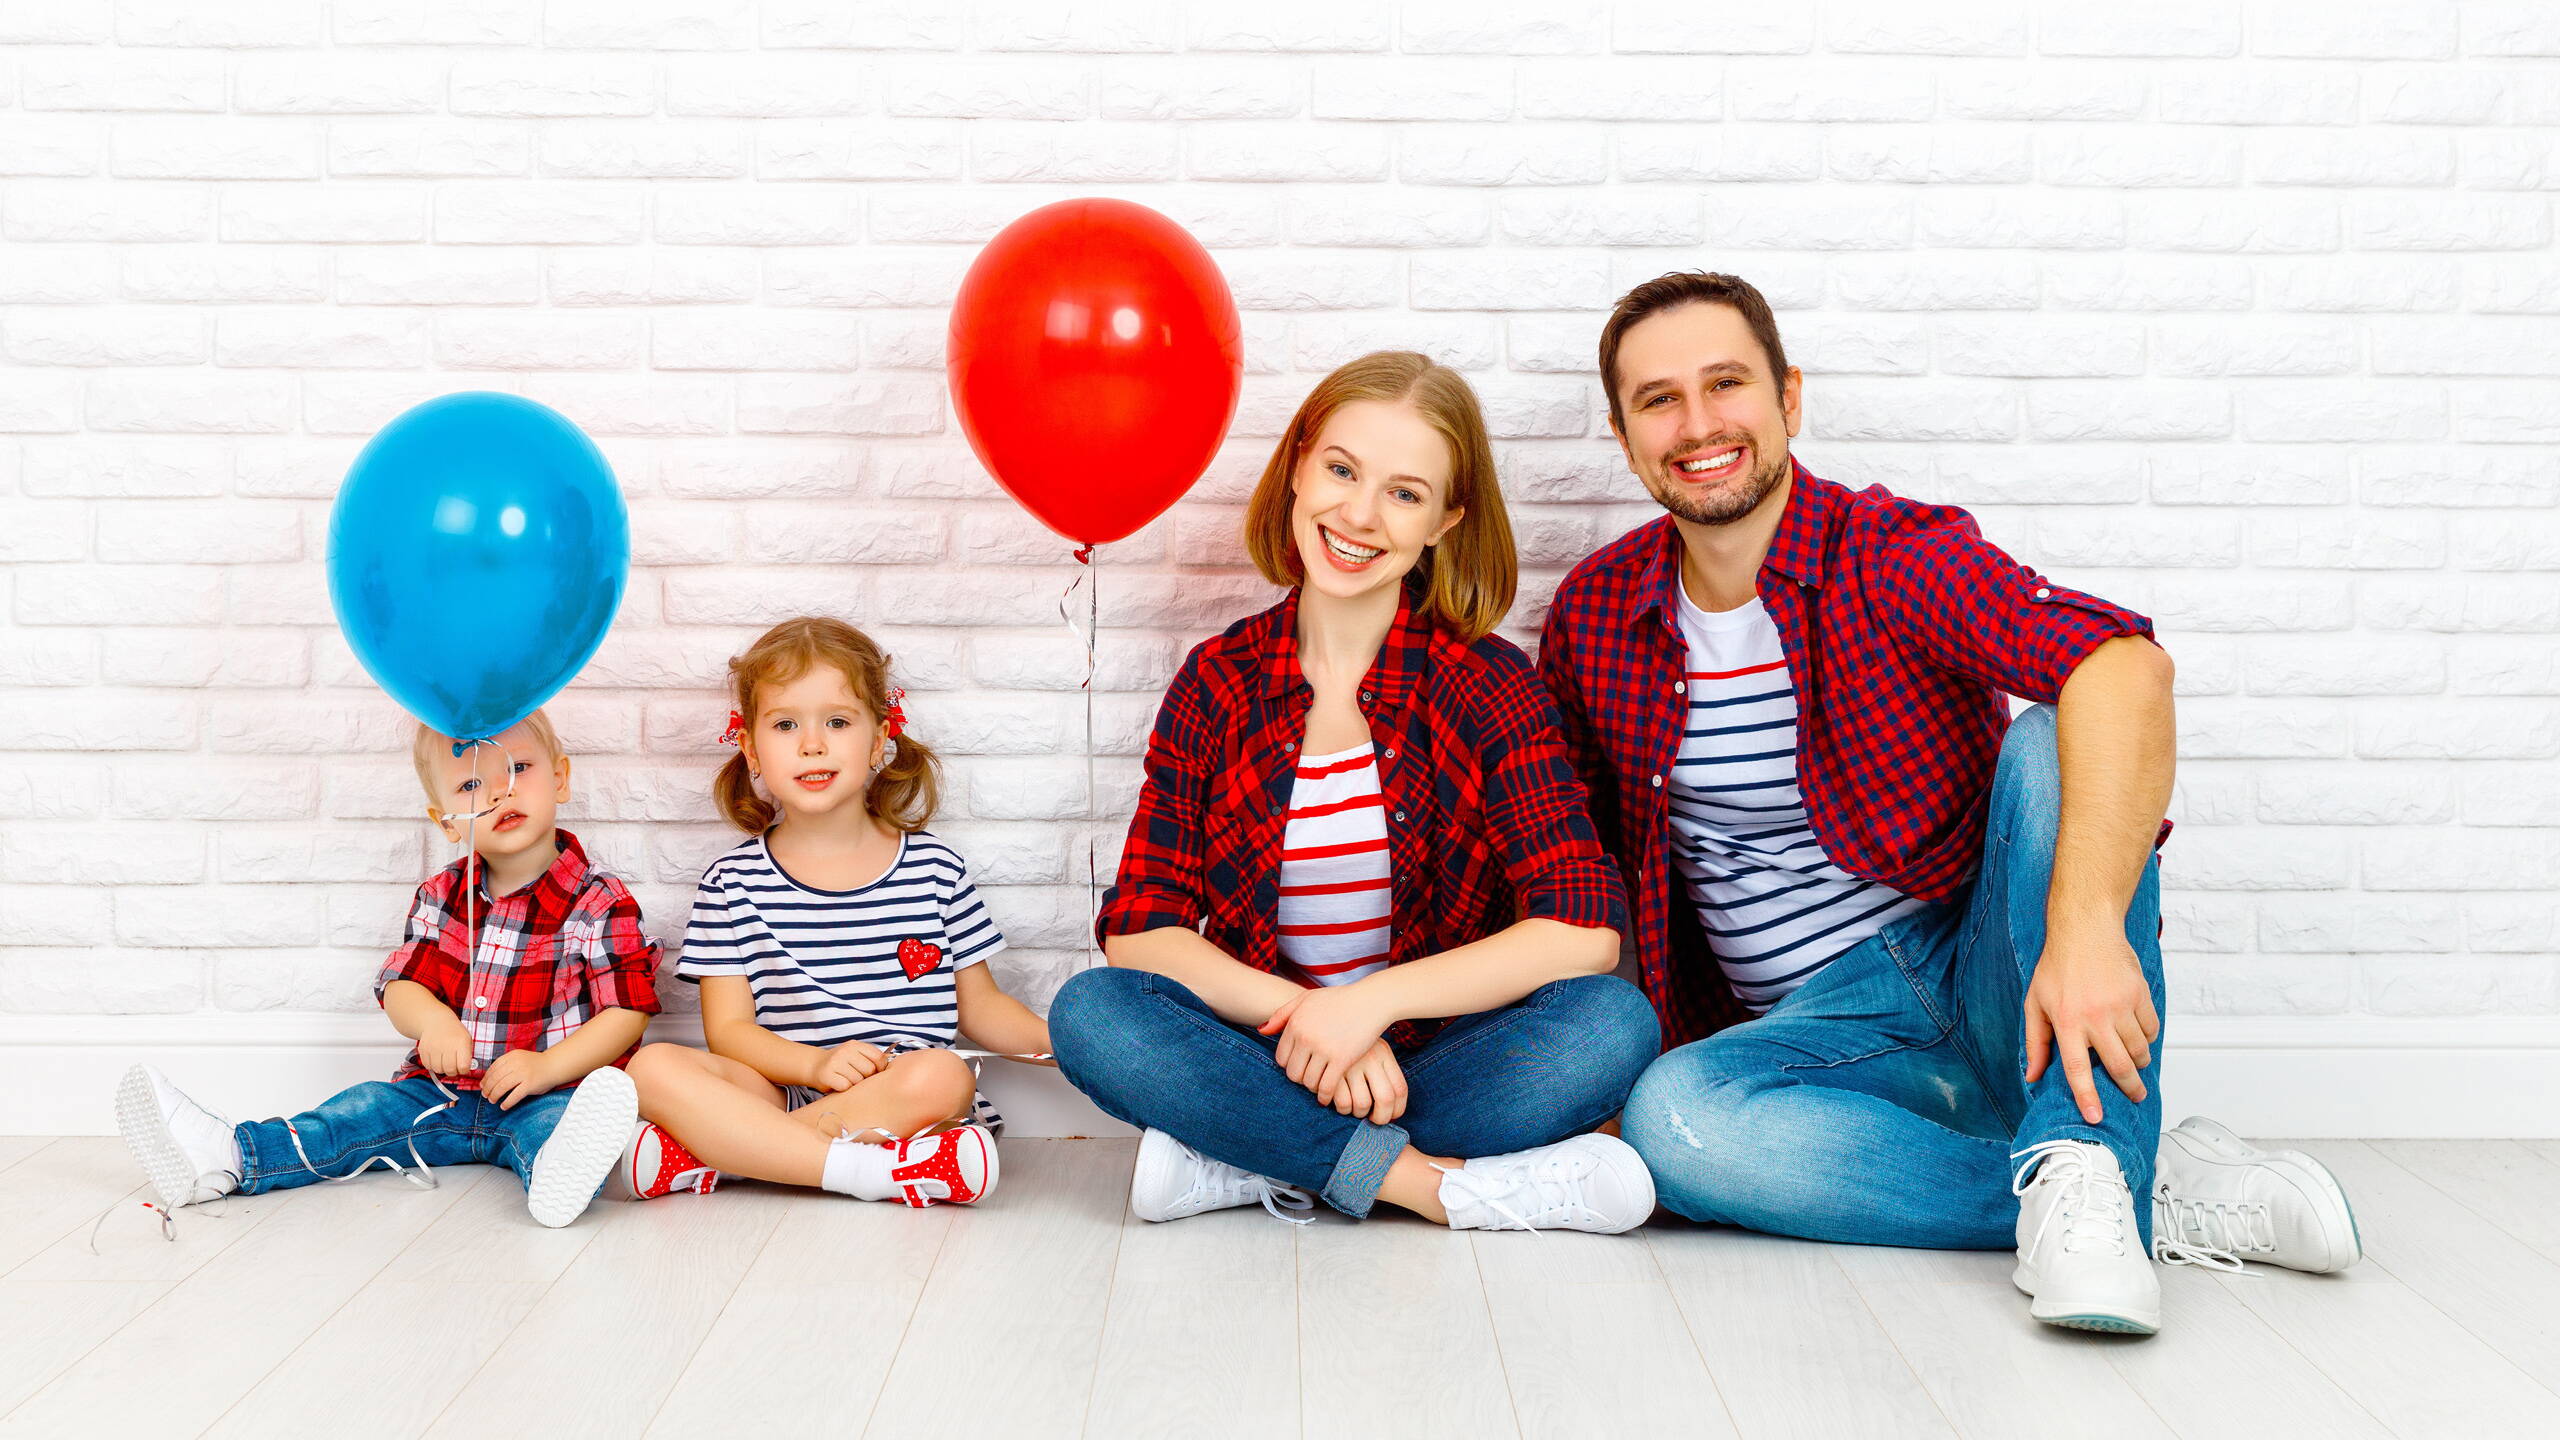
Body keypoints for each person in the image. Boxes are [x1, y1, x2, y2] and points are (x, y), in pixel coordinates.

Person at [1541, 272, 2362, 1334]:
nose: (1698, 424)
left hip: (1986, 967)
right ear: (1622, 433)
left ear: (1788, 397)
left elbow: (2125, 668)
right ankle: (2117, 1185)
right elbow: (1585, 862)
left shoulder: (1887, 553)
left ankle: (2087, 1164)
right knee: (1675, 1124)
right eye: (1658, 399)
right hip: (1816, 1035)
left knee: (2055, 732)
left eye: (1726, 383)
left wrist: (2077, 935)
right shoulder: (1597, 614)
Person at [1049, 351, 1662, 1235]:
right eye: (1342, 470)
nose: (1359, 515)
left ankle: (1247, 1157)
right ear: (1299, 465)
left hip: (1437, 1056)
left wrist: (1372, 1005)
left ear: (1447, 520)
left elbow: (1583, 932)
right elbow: (1144, 931)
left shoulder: (1490, 685)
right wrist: (1313, 1019)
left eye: (1405, 494)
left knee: (1610, 1028)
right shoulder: (1218, 682)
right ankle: (1427, 1185)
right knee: (1093, 1015)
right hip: (1261, 1050)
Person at [115, 709, 657, 1229]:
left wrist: (546, 1068)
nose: (499, 792)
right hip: (438, 1094)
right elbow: (402, 987)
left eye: (519, 769)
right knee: (358, 1112)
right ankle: (232, 1154)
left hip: (548, 1091)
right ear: (445, 821)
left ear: (560, 779)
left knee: (557, 1130)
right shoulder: (442, 895)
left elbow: (626, 1013)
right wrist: (434, 1024)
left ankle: (556, 1178)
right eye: (471, 786)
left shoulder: (598, 900)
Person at [615, 617, 1051, 1209]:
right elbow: (729, 1033)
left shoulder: (935, 871)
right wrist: (816, 1064)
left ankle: (733, 1158)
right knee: (651, 1066)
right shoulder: (731, 883)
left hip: (898, 1093)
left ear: (877, 741)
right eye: (786, 724)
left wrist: (1071, 1045)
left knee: (944, 1074)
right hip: (781, 1087)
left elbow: (980, 1008)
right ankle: (875, 1171)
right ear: (751, 749)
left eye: (838, 722)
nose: (812, 744)